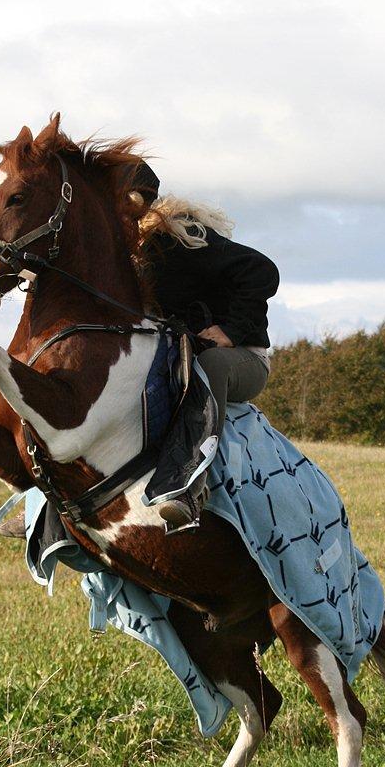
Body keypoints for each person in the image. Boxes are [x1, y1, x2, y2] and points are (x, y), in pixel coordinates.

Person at [129, 161, 279, 529]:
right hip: (176, 358)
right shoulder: (122, 250)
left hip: (240, 359)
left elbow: (261, 270)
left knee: (210, 366)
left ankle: (189, 487)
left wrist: (232, 330)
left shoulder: (181, 235)